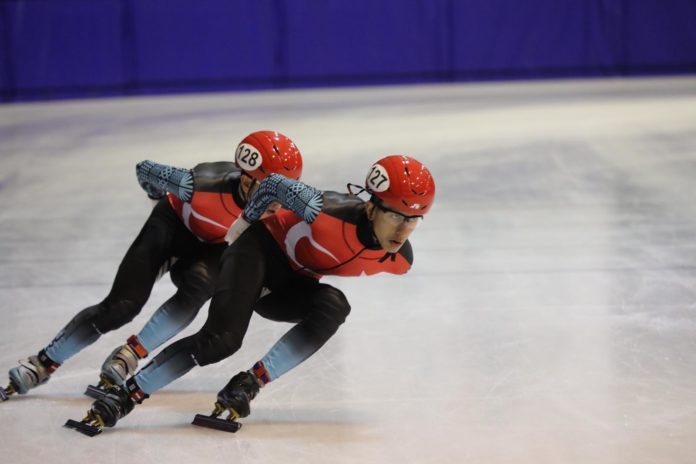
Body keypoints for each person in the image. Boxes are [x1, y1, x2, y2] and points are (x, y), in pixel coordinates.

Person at [72, 154, 436, 432]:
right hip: (256, 253)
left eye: (414, 219)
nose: (405, 229)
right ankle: (125, 396)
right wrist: (240, 228)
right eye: (397, 215)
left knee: (334, 305)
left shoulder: (398, 259)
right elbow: (275, 183)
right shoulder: (324, 209)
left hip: (288, 283)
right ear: (372, 206)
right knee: (221, 341)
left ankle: (248, 384)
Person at [1, 131, 303, 400]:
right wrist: (154, 194)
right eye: (268, 189)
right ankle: (44, 361)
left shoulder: (281, 209)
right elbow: (144, 170)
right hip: (172, 228)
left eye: (283, 190)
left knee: (200, 288)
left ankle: (131, 353)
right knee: (121, 306)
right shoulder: (200, 184)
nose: (275, 201)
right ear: (247, 177)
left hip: (214, 247)